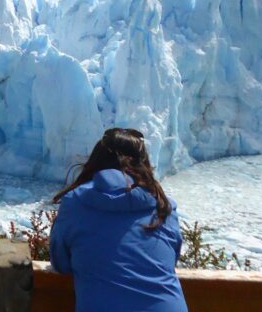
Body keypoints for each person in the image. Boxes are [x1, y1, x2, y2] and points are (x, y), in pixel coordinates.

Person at [50, 128, 188, 312]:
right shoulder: (164, 207)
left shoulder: (76, 203)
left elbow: (61, 263)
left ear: (95, 161)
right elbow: (169, 260)